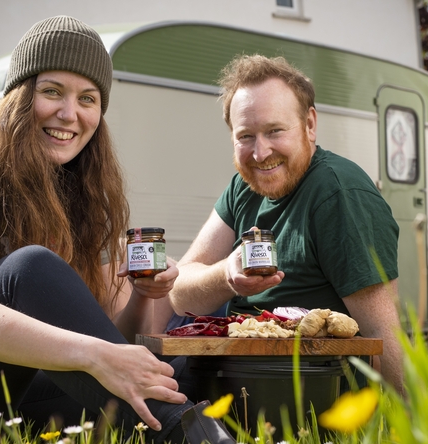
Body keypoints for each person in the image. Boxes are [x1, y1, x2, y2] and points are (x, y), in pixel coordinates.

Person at [0, 16, 235, 444]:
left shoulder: (84, 198)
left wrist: (142, 298)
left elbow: (117, 339)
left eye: (88, 99)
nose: (69, 113)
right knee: (27, 269)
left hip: (13, 395)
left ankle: (212, 429)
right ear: (19, 98)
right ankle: (184, 437)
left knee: (175, 363)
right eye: (52, 91)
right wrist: (96, 355)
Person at [169, 55, 405, 394]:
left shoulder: (338, 193)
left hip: (308, 389)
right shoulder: (243, 187)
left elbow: (384, 334)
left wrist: (409, 427)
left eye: (275, 131)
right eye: (245, 136)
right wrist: (226, 276)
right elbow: (180, 294)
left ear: (309, 124)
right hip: (231, 374)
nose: (260, 153)